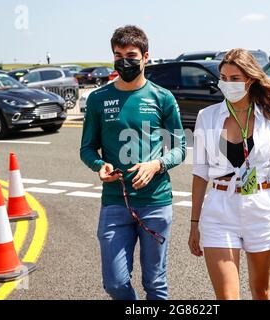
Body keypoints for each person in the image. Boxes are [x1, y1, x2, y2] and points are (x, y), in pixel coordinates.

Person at [80, 25, 186, 300]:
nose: (123, 61)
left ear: (145, 57)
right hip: (115, 202)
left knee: (155, 282)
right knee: (114, 283)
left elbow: (180, 148)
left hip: (155, 202)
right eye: (118, 55)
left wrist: (156, 165)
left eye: (130, 55)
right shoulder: (98, 99)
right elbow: (87, 148)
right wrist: (98, 165)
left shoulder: (162, 97)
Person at [189, 48, 270, 300]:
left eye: (234, 78)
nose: (227, 83)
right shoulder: (206, 117)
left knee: (261, 292)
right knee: (227, 297)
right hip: (219, 211)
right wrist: (194, 224)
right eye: (223, 78)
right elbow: (199, 173)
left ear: (249, 80)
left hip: (261, 211)